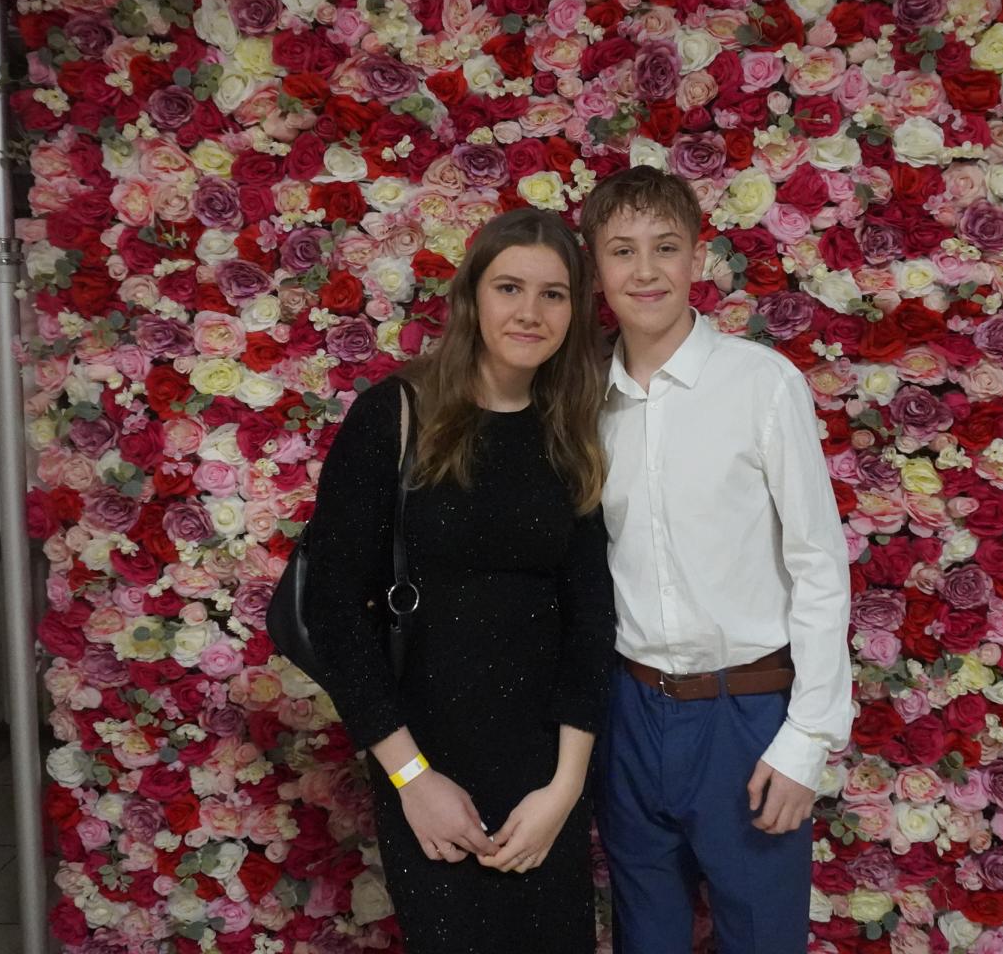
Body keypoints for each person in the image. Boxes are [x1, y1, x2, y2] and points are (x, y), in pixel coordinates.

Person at [299, 208, 616, 953]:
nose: (530, 312)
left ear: (574, 310)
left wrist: (565, 790)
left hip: (546, 773)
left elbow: (591, 619)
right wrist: (413, 779)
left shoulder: (569, 428)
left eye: (553, 294)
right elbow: (334, 610)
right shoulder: (396, 415)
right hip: (426, 761)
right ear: (472, 296)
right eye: (509, 287)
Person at [581, 166, 852, 953]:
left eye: (665, 247)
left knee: (762, 937)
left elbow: (818, 563)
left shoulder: (760, 383)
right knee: (646, 938)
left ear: (697, 258)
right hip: (631, 711)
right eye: (622, 250)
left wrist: (806, 739)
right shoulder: (581, 397)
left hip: (747, 711)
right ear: (596, 269)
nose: (645, 270)